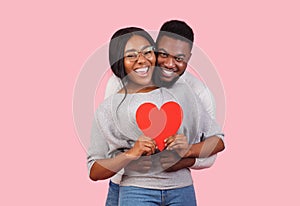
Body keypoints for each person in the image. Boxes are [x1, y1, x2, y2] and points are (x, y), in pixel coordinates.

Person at [88, 26, 224, 205]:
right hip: (134, 188)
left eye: (147, 52)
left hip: (181, 188)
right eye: (131, 55)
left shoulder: (187, 92)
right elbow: (96, 168)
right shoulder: (111, 101)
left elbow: (218, 140)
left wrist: (186, 152)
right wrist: (130, 156)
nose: (142, 60)